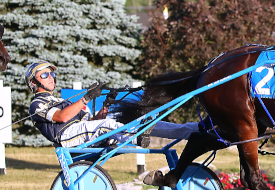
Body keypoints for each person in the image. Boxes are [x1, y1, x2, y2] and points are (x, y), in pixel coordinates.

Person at [25, 61, 199, 148]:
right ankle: (136, 138)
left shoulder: (64, 101)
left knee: (140, 121)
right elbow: (61, 117)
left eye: (52, 75)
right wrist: (86, 98)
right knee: (108, 125)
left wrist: (106, 105)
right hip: (66, 136)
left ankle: (192, 130)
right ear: (34, 83)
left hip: (81, 131)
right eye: (45, 75)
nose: (51, 78)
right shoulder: (37, 104)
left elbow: (94, 121)